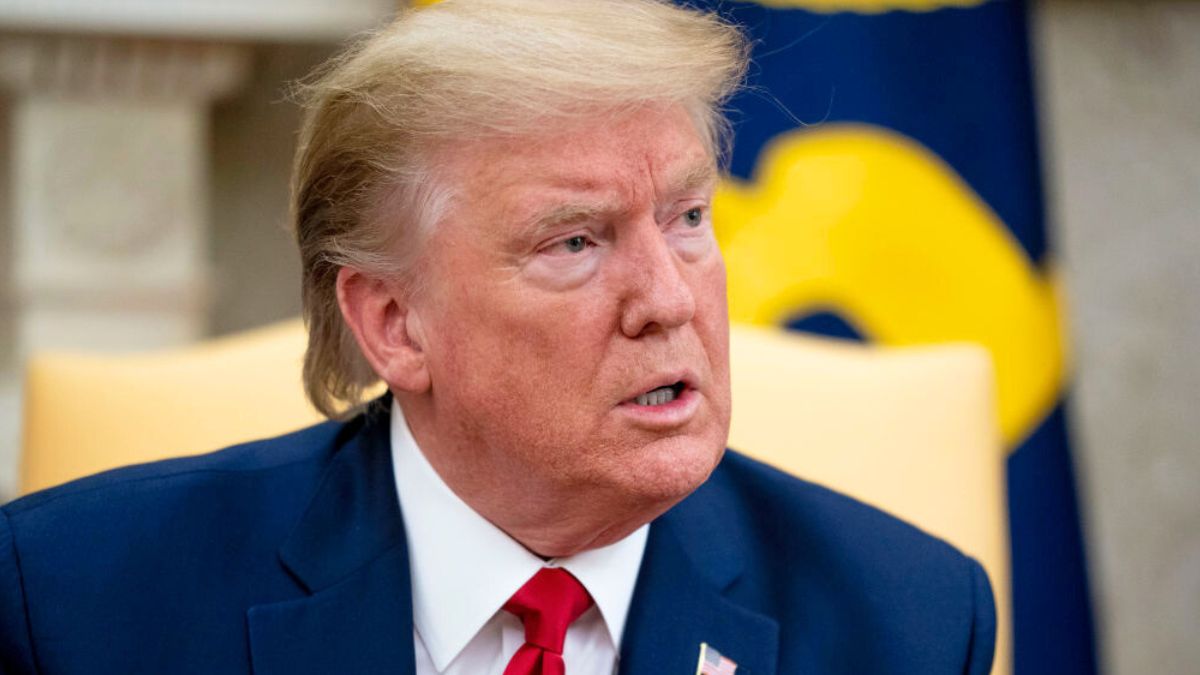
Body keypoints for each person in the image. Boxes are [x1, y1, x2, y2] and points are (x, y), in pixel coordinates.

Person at [0, 1, 995, 673]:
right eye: (576, 241)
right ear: (395, 324)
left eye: (689, 218)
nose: (669, 298)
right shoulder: (79, 601)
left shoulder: (905, 622)